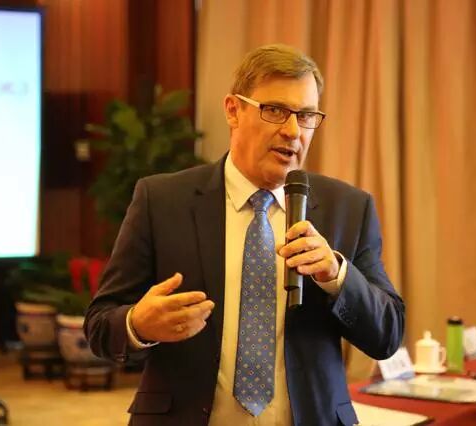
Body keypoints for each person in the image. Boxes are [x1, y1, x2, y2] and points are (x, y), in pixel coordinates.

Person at [84, 44, 405, 426]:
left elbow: (388, 335)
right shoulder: (162, 200)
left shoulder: (348, 208)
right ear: (233, 110)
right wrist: (138, 324)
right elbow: (99, 324)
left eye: (306, 116)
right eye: (275, 110)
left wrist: (337, 276)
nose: (292, 131)